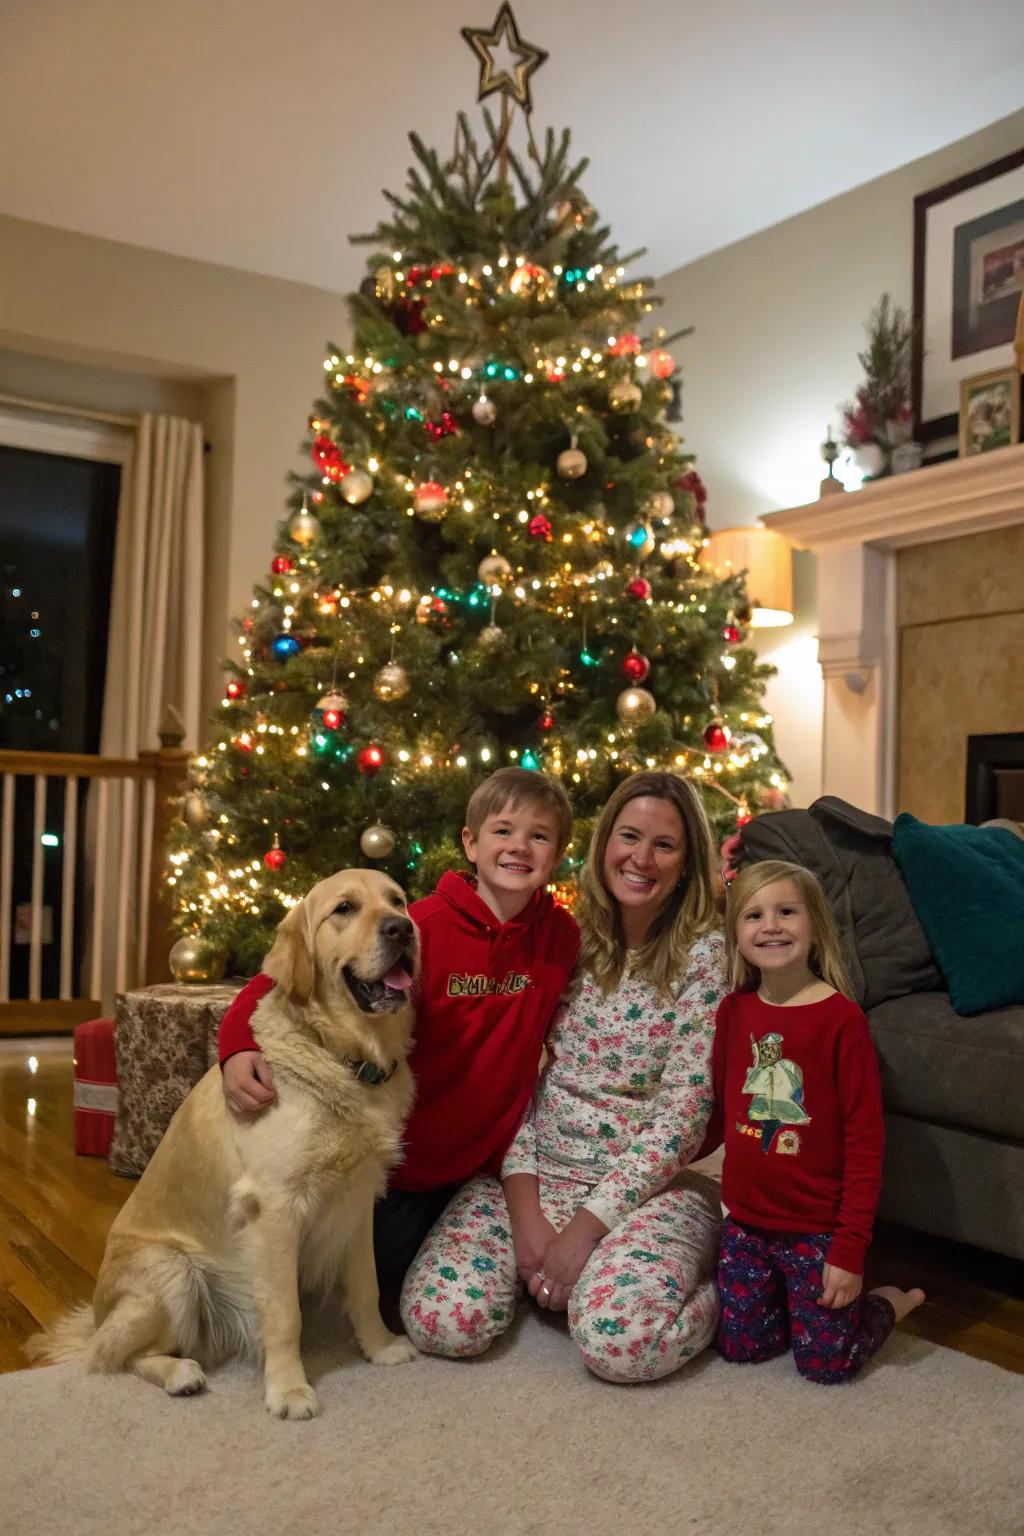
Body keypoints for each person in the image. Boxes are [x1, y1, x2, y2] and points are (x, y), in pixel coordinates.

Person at [400, 771, 728, 1383]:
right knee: (440, 1322)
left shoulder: (705, 956)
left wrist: (583, 1232)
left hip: (642, 1191)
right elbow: (523, 1079)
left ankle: (723, 1281)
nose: (641, 857)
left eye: (665, 845)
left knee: (623, 1344)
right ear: (604, 843)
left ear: (687, 863)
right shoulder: (570, 941)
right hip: (533, 1172)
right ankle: (552, 1274)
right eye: (629, 836)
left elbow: (685, 1115)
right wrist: (528, 1222)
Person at [217, 766, 579, 1288]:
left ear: (557, 856)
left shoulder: (562, 939)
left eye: (539, 836)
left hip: (486, 1172)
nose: (520, 846)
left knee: (511, 1286)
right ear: (471, 843)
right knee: (384, 1295)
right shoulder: (416, 927)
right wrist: (236, 1044)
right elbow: (275, 981)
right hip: (400, 1171)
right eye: (503, 831)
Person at [706, 858, 924, 1385]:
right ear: (736, 934)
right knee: (739, 1348)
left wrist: (849, 1249)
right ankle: (791, 1303)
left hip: (818, 1232)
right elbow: (720, 1111)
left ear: (815, 925)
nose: (771, 925)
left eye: (786, 911)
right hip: (746, 1224)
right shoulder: (732, 1013)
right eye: (754, 915)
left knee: (827, 1365)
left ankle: (888, 1305)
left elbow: (866, 1143)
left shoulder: (840, 1020)